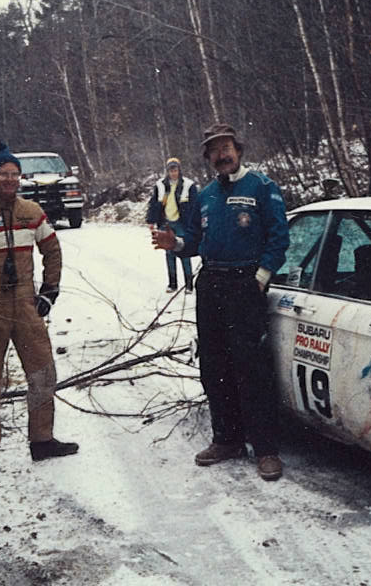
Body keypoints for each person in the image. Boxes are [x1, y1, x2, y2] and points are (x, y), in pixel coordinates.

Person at [151, 123, 289, 481]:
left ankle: (266, 449)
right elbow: (194, 239)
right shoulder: (206, 195)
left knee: (252, 367)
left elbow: (279, 238)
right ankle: (227, 439)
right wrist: (176, 244)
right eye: (214, 150)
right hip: (211, 283)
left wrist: (260, 278)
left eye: (226, 147)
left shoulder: (262, 186)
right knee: (214, 365)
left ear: (238, 150)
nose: (221, 154)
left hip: (246, 285)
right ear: (208, 158)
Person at [0, 139, 79, 478]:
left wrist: (50, 290)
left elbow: (52, 250)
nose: (10, 180)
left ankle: (42, 440)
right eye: (4, 174)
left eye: (15, 174)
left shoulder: (31, 212)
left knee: (42, 372)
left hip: (25, 303)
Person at [146, 157, 198, 293]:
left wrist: (194, 223)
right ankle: (172, 283)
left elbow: (195, 206)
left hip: (182, 223)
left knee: (184, 253)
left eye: (175, 170)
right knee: (169, 254)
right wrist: (151, 221)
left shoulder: (188, 185)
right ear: (167, 171)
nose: (173, 173)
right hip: (165, 223)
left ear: (179, 170)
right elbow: (154, 204)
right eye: (170, 170)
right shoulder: (160, 185)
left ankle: (189, 285)